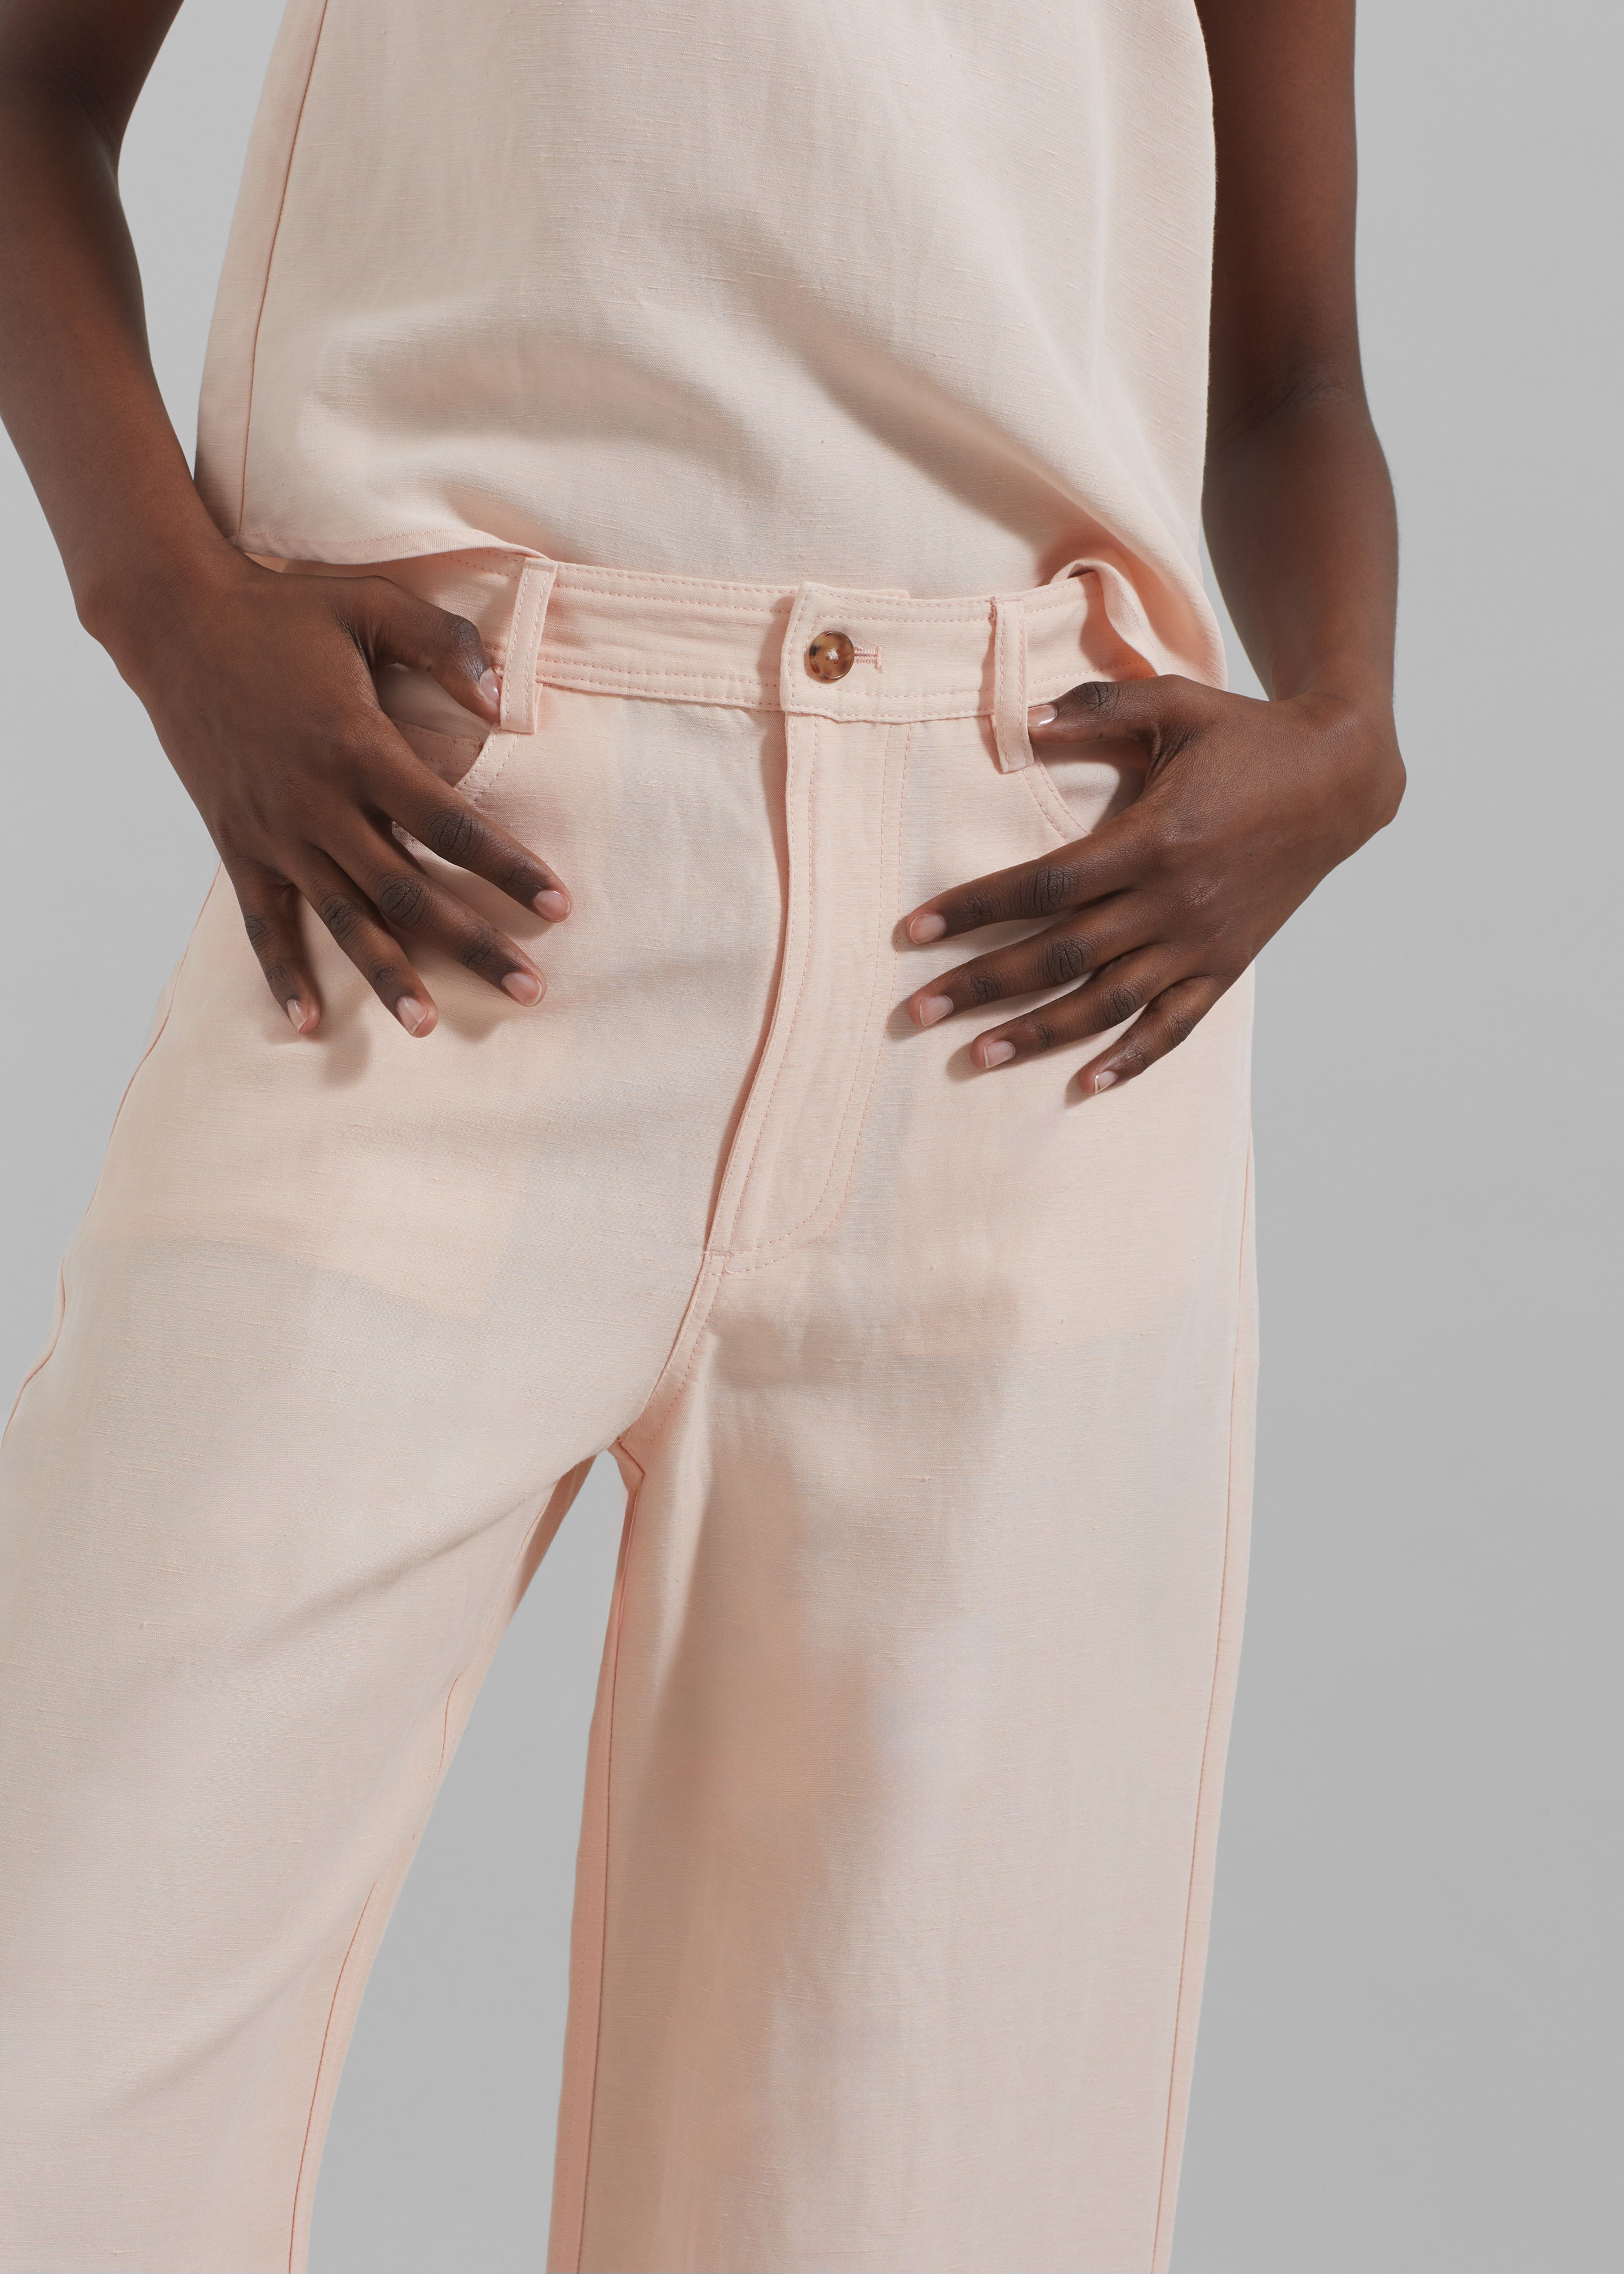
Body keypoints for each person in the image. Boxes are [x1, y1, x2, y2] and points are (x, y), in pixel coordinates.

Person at [0, 2, 1403, 2268]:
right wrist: (168, 617)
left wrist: (1346, 729)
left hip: (1032, 970)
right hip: (444, 878)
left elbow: (1292, 367)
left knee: (905, 2193)